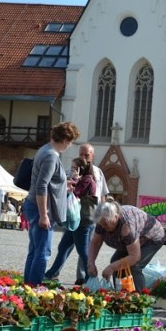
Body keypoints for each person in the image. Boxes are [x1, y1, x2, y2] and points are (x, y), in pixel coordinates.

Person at [23, 121, 80, 286]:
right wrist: (44, 215)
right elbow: (42, 185)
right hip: (41, 207)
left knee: (34, 250)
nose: (69, 146)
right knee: (43, 252)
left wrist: (64, 184)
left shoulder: (44, 150)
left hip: (34, 204)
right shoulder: (51, 156)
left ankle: (28, 285)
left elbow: (48, 182)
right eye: (70, 142)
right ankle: (34, 288)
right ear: (64, 140)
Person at [87, 198, 164, 291]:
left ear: (116, 217)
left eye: (106, 224)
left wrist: (111, 268)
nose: (104, 227)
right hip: (131, 241)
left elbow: (135, 257)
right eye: (101, 224)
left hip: (152, 237)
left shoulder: (126, 226)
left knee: (134, 266)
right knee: (116, 261)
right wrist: (91, 263)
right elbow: (95, 242)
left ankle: (139, 298)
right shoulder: (102, 221)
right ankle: (120, 295)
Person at [45, 158, 97, 285]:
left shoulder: (87, 180)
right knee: (63, 247)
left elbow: (77, 193)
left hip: (82, 221)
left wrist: (73, 180)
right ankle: (51, 273)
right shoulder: (84, 179)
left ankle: (91, 278)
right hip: (75, 220)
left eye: (74, 168)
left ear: (80, 169)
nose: (71, 170)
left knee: (83, 251)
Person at [75, 143, 110, 284]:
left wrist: (103, 212)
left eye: (86, 155)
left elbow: (103, 193)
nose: (83, 157)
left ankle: (82, 276)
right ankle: (56, 272)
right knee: (68, 245)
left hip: (91, 214)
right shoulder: (74, 169)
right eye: (81, 154)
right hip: (76, 213)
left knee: (85, 246)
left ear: (92, 156)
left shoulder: (97, 171)